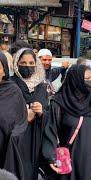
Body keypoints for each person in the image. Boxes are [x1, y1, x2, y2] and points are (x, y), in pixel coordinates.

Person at [42, 65, 91, 180]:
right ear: (75, 80)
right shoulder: (58, 103)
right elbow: (50, 131)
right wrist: (50, 157)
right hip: (69, 160)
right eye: (86, 79)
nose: (90, 82)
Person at [11, 48, 48, 180]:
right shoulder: (10, 85)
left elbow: (49, 113)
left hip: (36, 140)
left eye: (31, 63)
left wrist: (41, 111)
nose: (27, 66)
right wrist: (23, 112)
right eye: (23, 63)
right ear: (17, 64)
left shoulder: (41, 87)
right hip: (15, 141)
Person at [0, 52, 28, 180]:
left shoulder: (13, 91)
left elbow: (21, 121)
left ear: (4, 70)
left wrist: (15, 135)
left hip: (5, 151)